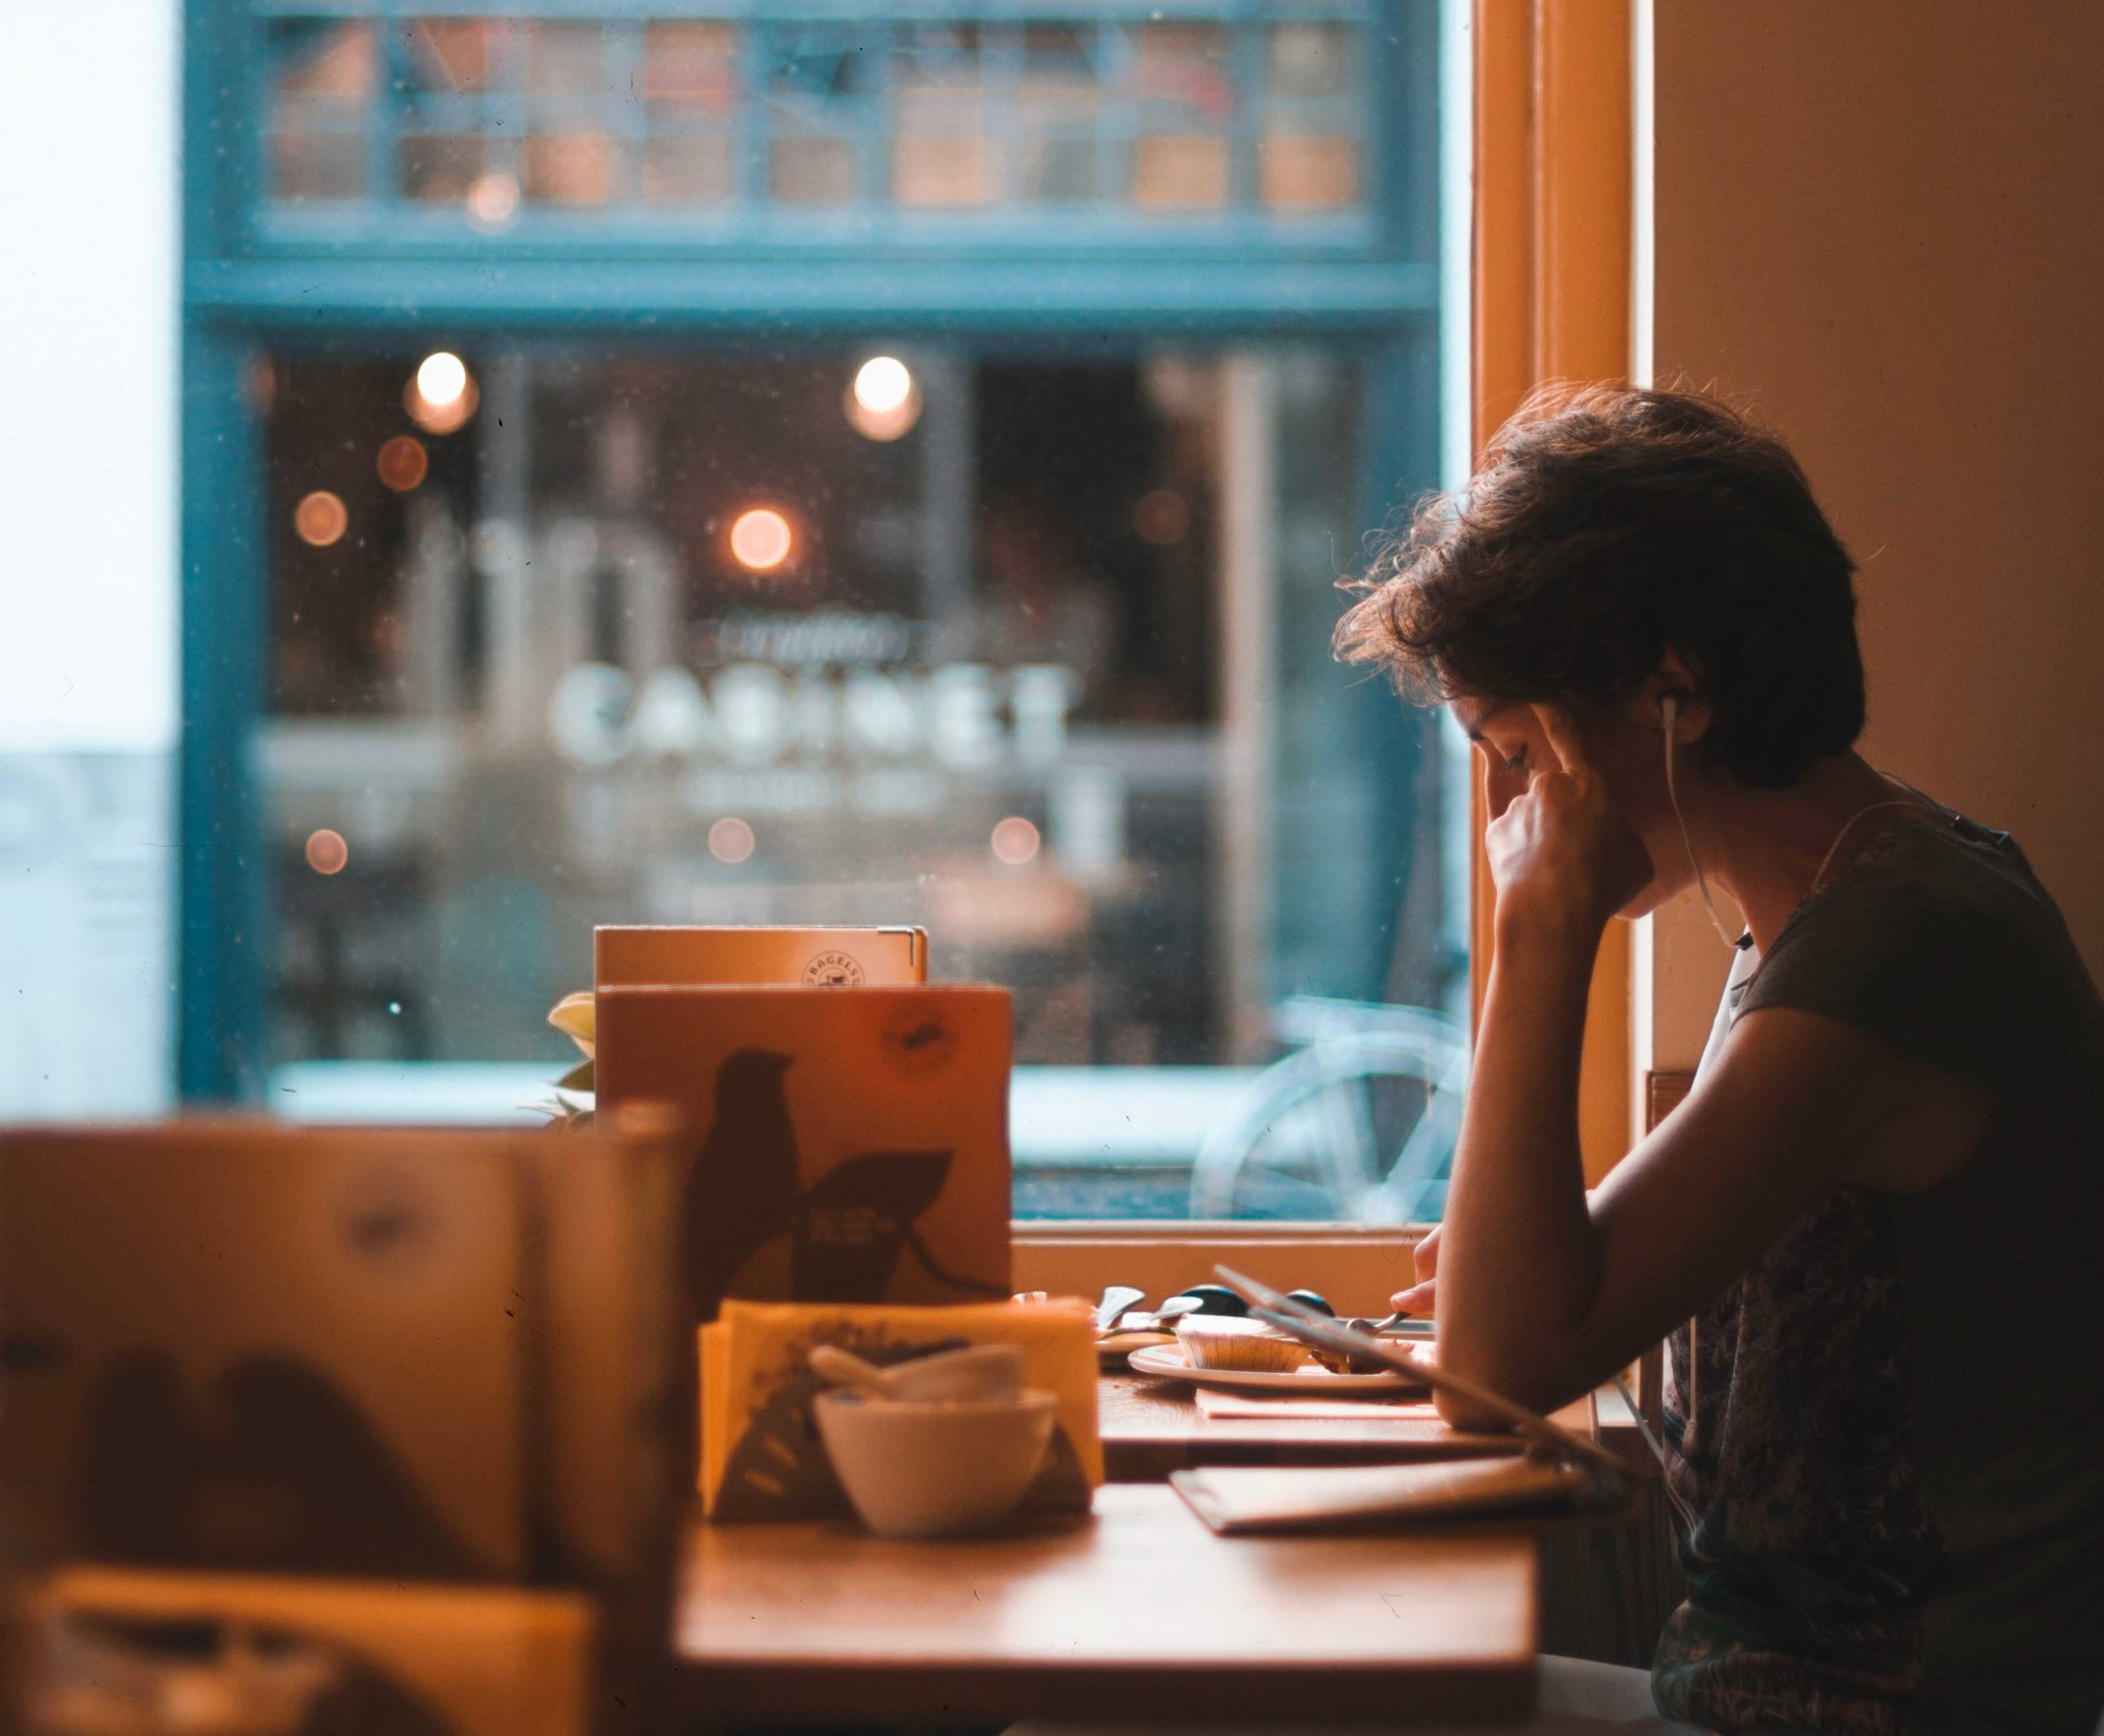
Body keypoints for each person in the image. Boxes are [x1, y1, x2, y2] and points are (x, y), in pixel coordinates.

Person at [1334, 384, 2104, 1735]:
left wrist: (1545, 925)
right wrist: (1521, 1263)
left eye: (1518, 754)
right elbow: (1534, 1305)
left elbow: (1498, 1363)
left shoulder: (1896, 947)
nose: (1511, 815)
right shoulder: (1838, 916)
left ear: (1673, 691)